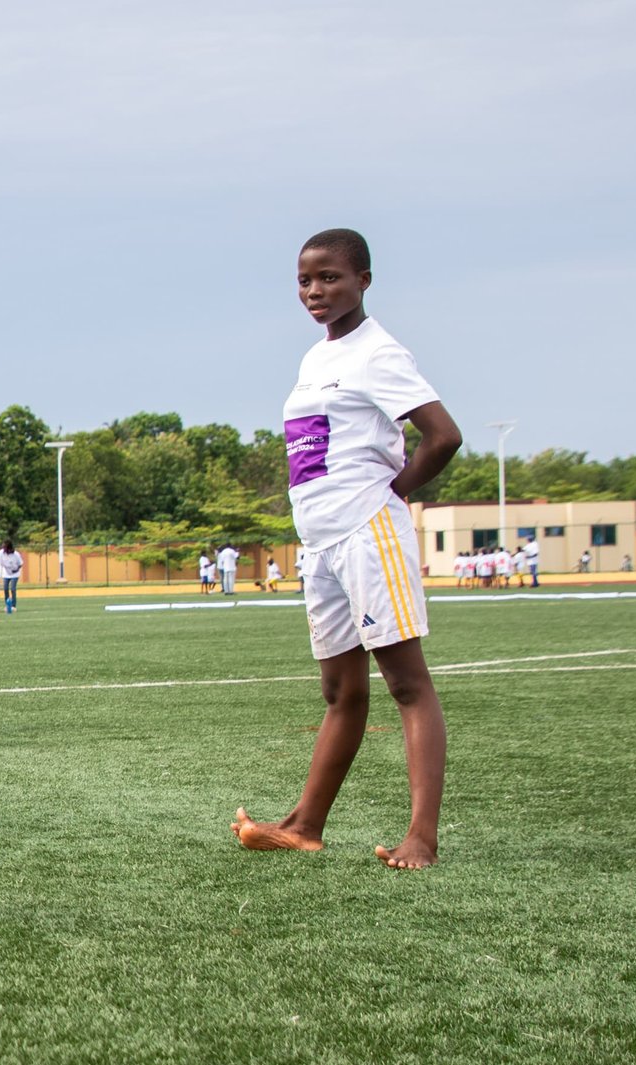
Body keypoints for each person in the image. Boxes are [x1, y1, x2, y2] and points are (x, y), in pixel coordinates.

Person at [234, 226, 461, 871]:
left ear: (364, 279)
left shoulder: (378, 352)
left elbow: (443, 437)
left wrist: (388, 493)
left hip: (369, 534)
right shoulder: (316, 359)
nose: (315, 291)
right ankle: (305, 825)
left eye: (330, 277)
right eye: (305, 280)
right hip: (322, 544)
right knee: (340, 692)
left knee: (407, 686)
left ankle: (422, 835)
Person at [0, 539, 24, 613]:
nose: (3, 549)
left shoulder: (16, 554)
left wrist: (16, 570)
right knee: (5, 588)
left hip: (15, 574)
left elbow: (21, 564)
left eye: (5, 547)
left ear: (9, 548)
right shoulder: (1, 553)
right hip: (5, 573)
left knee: (12, 588)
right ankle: (7, 605)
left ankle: (13, 605)